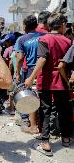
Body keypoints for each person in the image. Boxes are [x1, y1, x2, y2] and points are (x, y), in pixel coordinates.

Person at [25, 13, 73, 156]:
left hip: (46, 81)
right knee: (63, 109)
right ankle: (66, 138)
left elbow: (42, 59)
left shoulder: (44, 39)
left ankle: (45, 142)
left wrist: (30, 77)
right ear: (63, 25)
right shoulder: (68, 41)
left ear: (48, 26)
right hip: (63, 80)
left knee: (45, 111)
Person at [15, 15, 45, 134]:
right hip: (44, 69)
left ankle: (30, 124)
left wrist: (17, 72)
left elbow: (20, 58)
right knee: (43, 96)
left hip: (31, 70)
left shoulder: (22, 39)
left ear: (25, 26)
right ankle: (41, 124)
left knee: (30, 96)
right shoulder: (44, 36)